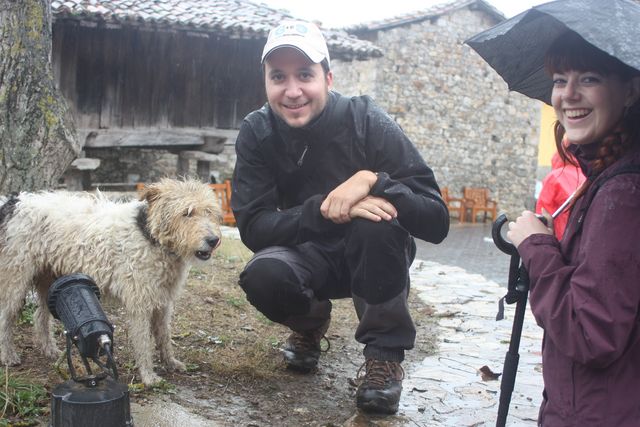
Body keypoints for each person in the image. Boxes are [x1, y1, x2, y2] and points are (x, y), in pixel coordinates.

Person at [231, 20, 449, 414]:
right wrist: (327, 208)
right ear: (265, 82)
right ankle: (309, 324)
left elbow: (436, 219)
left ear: (328, 77)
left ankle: (384, 357)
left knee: (375, 223)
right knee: (263, 274)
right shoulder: (257, 132)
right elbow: (254, 226)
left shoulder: (367, 121)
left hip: (374, 254)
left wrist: (373, 181)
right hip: (305, 254)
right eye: (278, 76)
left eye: (305, 75)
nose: (292, 90)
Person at [507, 31, 640, 426]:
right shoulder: (608, 176)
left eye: (590, 78)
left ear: (630, 91)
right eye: (560, 80)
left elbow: (589, 333)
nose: (568, 95)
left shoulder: (624, 191)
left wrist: (535, 247)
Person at [535, 149, 585, 239]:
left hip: (560, 235)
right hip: (581, 234)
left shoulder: (555, 176)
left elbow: (543, 211)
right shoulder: (585, 176)